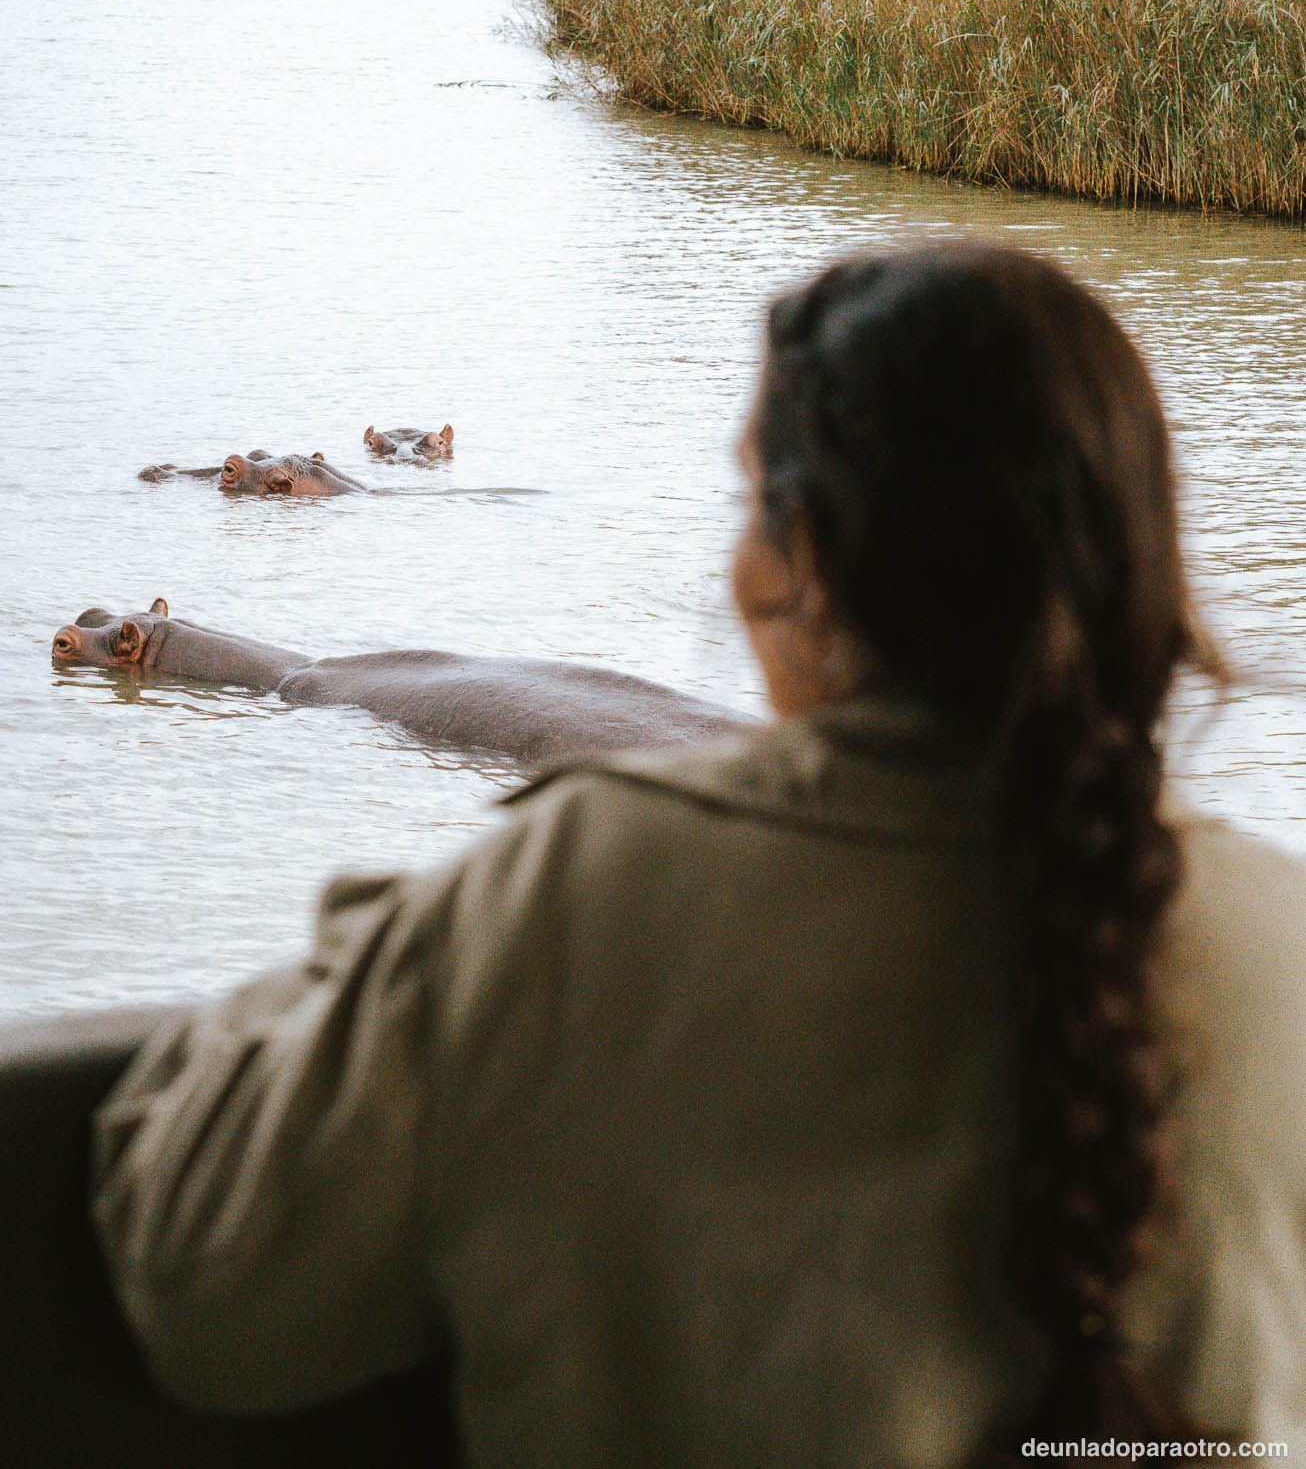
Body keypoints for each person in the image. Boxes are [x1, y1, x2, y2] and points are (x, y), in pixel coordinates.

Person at [92, 243, 1306, 1467]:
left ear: (799, 562)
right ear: (1146, 568)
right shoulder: (1283, 937)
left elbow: (202, 1291)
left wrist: (395, 948)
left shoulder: (569, 891)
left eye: (748, 505)